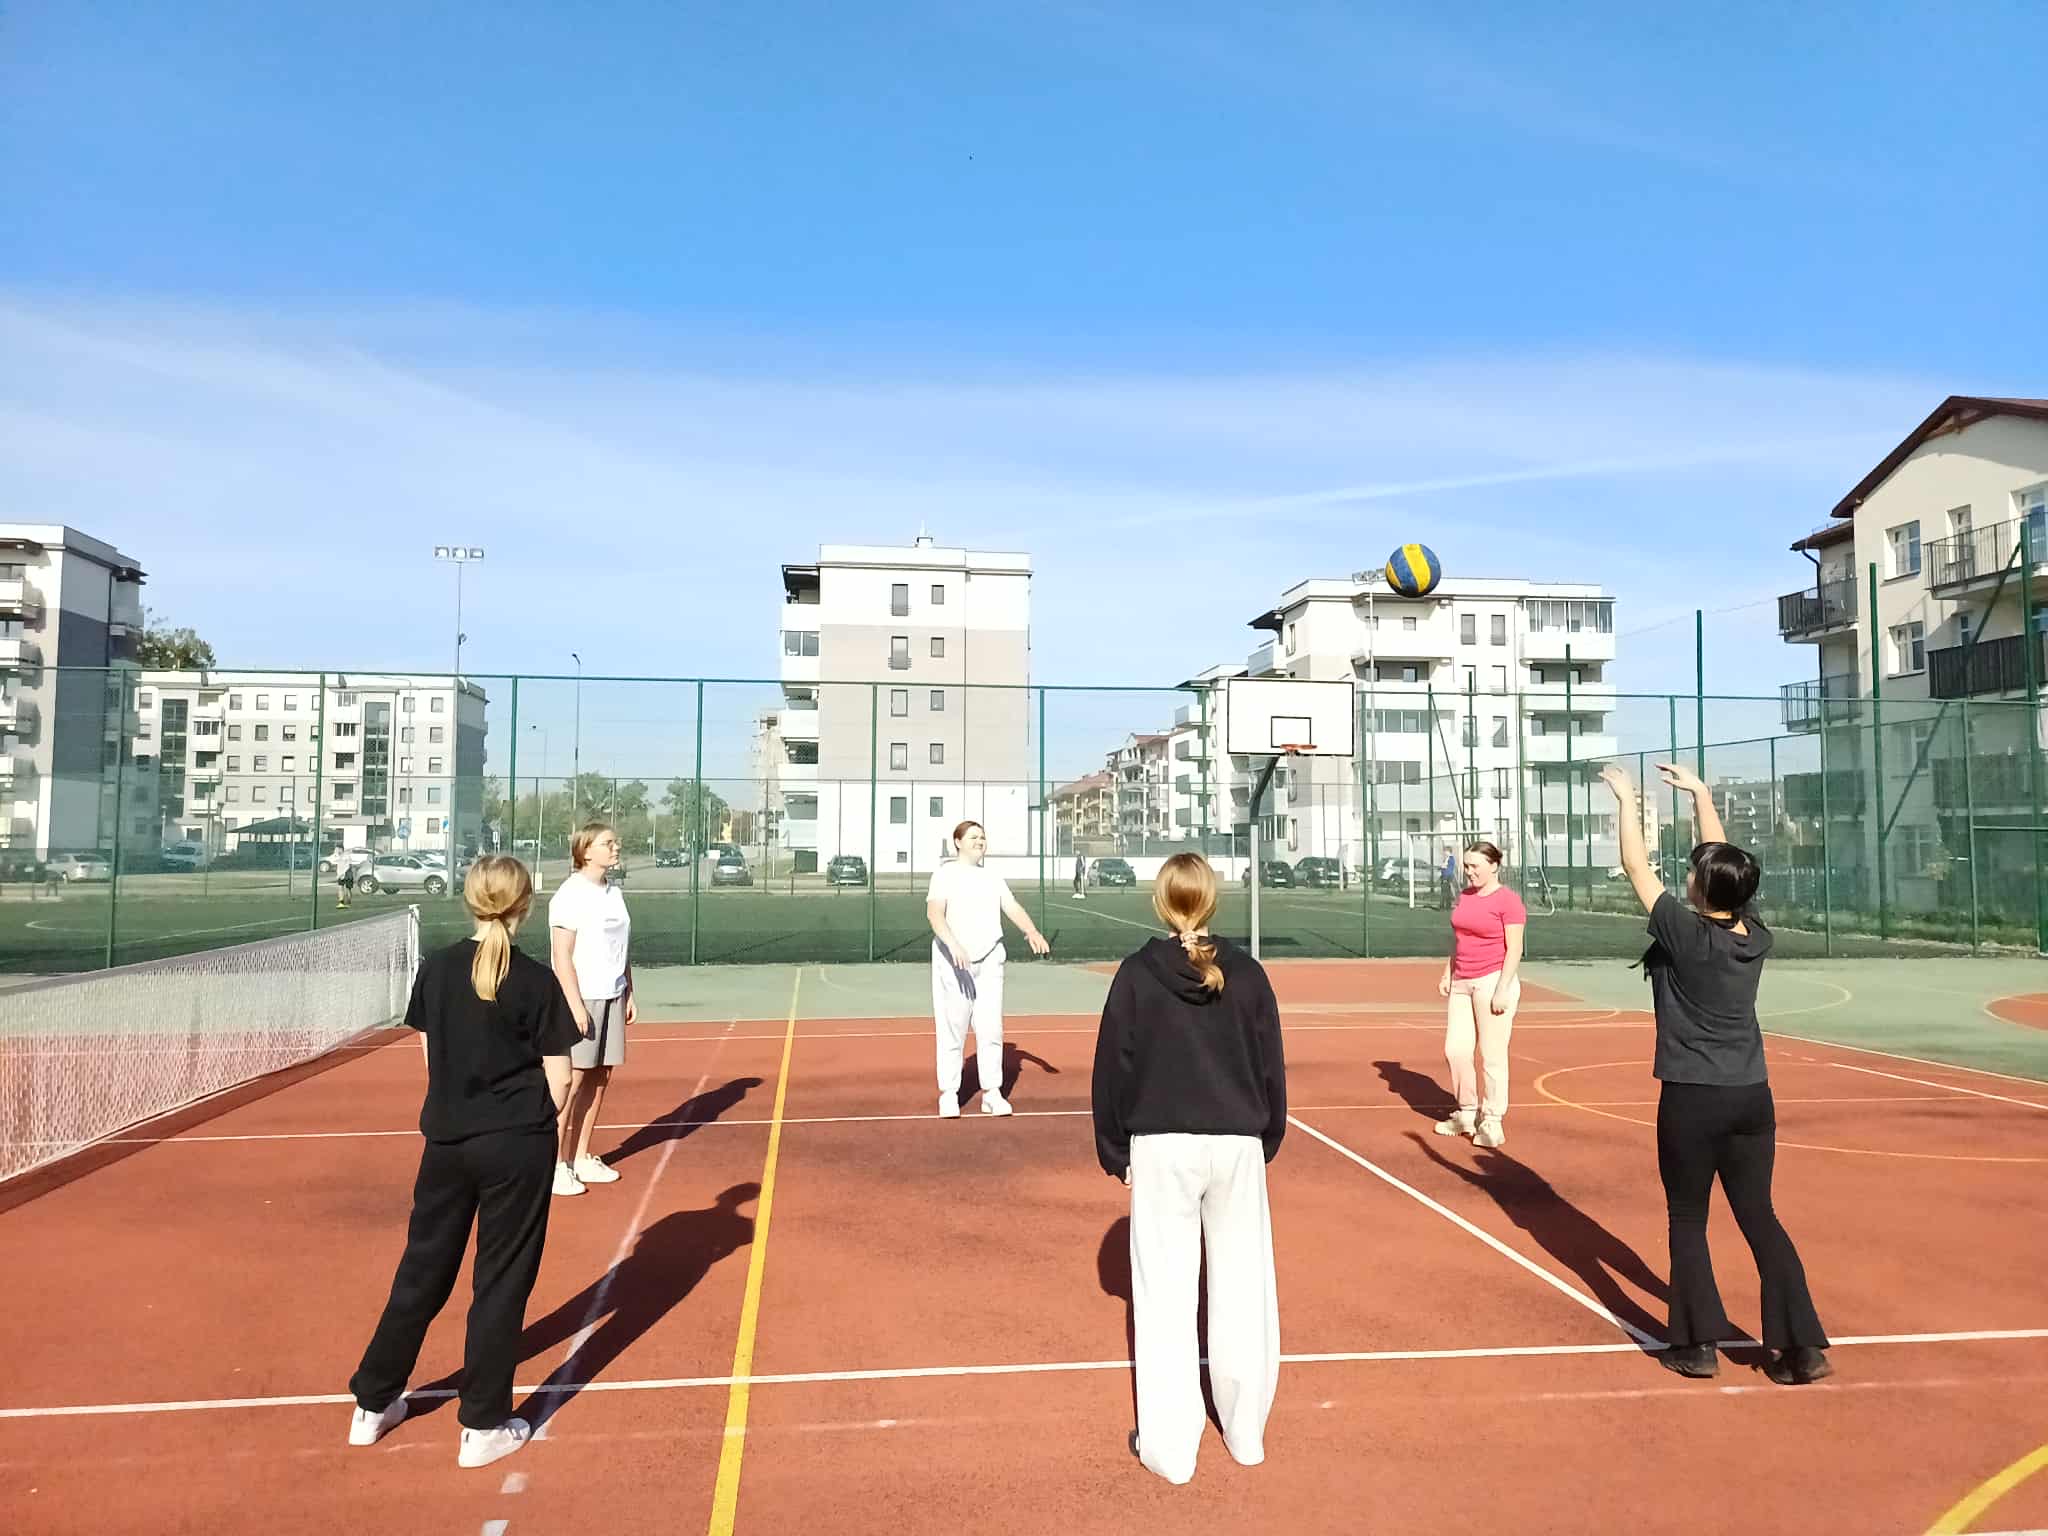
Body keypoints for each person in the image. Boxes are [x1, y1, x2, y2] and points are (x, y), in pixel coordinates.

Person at [1600, 761, 1832, 1386]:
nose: (1687, 876)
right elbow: (1721, 862)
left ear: (1704, 889)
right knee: (1760, 1216)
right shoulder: (1754, 934)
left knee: (1687, 1218)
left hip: (1693, 1098)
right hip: (1751, 1096)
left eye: (1695, 873)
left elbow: (1636, 867)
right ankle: (1802, 1348)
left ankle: (1696, 1345)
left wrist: (1627, 800)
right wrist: (1702, 795)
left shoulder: (1685, 934)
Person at [347, 855, 578, 1469]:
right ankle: (482, 1425)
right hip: (516, 1144)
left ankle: (372, 1403)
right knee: (500, 1281)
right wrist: (533, 1122)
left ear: (471, 899)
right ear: (525, 905)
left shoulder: (437, 969)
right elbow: (561, 1077)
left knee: (421, 1271)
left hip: (447, 1141)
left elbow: (431, 1055)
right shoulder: (535, 981)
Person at [1091, 853, 1286, 1486]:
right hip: (1237, 1145)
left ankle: (1171, 1450)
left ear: (1161, 902)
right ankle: (1246, 1433)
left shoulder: (1136, 975)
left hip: (1163, 1145)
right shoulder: (1248, 974)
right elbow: (1270, 1065)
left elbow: (1112, 1067)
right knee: (1244, 1290)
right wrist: (1264, 1140)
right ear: (1212, 899)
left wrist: (1116, 1150)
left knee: (1164, 1297)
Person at [925, 819, 1051, 1118]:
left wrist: (1031, 931)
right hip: (955, 962)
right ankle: (949, 1093)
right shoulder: (944, 874)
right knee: (953, 1027)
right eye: (973, 837)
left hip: (990, 958)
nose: (979, 841)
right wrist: (953, 944)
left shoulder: (992, 877)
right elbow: (934, 914)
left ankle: (992, 1093)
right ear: (958, 842)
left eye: (982, 837)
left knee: (991, 1028)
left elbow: (1012, 907)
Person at [549, 822, 635, 1197]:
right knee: (573, 1080)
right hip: (582, 996)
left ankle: (582, 1156)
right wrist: (575, 1004)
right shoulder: (569, 895)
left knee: (601, 1076)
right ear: (585, 851)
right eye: (608, 843)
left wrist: (629, 990)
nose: (616, 848)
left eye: (616, 842)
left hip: (613, 994)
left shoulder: (614, 892)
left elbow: (622, 948)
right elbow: (561, 955)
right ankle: (555, 1164)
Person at [1434, 841, 1527, 1149]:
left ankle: (1492, 1121)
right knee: (1456, 1050)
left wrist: (1502, 988)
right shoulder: (1465, 896)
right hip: (1462, 981)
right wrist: (1448, 972)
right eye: (1466, 865)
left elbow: (1515, 948)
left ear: (1494, 866)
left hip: (1492, 980)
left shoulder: (1508, 901)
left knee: (1492, 1054)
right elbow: (1458, 939)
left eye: (1475, 866)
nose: (1469, 871)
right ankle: (1466, 1112)